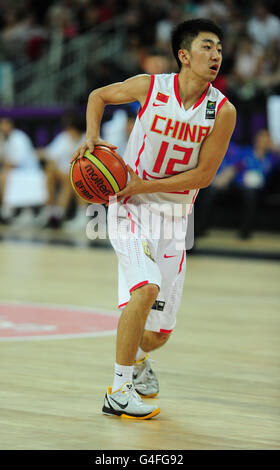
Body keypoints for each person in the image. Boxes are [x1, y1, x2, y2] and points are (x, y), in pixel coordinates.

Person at [71, 19, 236, 420]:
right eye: (206, 47)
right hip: (129, 209)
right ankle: (119, 389)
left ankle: (141, 361)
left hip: (175, 220)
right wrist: (91, 135)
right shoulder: (152, 87)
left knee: (157, 335)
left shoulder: (222, 110)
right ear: (184, 54)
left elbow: (204, 176)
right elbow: (98, 96)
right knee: (144, 289)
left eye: (218, 49)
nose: (215, 55)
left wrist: (138, 184)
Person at [37, 113, 86, 229]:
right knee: (49, 170)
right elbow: (50, 156)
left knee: (73, 177)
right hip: (64, 174)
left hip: (83, 176)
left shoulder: (88, 140)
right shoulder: (64, 138)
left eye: (70, 128)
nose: (67, 130)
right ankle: (49, 210)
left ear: (76, 128)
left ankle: (74, 215)